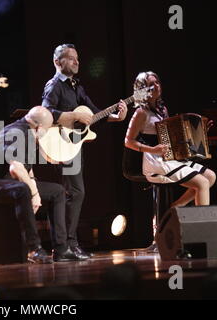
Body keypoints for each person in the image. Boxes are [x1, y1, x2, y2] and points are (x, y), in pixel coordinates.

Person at [41, 44, 128, 258]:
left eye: (77, 58)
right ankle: (68, 244)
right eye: (70, 58)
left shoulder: (76, 87)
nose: (76, 61)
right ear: (57, 62)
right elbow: (45, 112)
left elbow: (93, 113)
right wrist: (72, 117)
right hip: (59, 144)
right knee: (76, 193)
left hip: (72, 145)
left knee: (72, 194)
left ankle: (67, 245)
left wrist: (116, 117)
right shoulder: (54, 86)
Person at [0, 106, 84, 263]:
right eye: (47, 129)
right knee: (23, 190)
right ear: (38, 127)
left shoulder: (28, 133)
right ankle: (34, 249)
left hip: (7, 182)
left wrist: (35, 187)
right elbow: (15, 168)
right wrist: (34, 193)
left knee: (57, 191)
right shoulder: (18, 133)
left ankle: (61, 249)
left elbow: (26, 170)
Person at [124, 71, 216, 208]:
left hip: (168, 157)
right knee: (202, 183)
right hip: (153, 161)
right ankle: (201, 227)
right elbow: (128, 141)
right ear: (142, 90)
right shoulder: (141, 112)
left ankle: (175, 208)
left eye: (157, 82)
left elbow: (171, 137)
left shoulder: (163, 110)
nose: (156, 86)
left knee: (210, 177)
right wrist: (153, 149)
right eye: (151, 84)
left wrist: (200, 133)